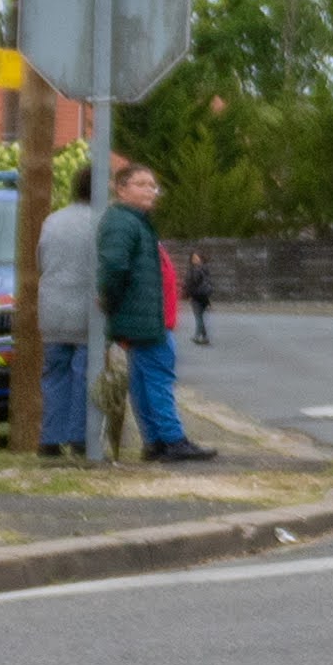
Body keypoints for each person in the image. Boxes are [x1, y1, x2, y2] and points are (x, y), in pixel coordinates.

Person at [101, 158, 218, 465]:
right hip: (145, 319)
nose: (150, 191)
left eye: (153, 186)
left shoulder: (134, 222)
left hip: (146, 317)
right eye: (142, 184)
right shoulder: (124, 222)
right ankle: (172, 439)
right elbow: (113, 267)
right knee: (158, 378)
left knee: (144, 380)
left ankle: (155, 441)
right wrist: (112, 303)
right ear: (121, 188)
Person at [37, 159, 103, 458]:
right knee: (84, 374)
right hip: (87, 310)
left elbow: (41, 260)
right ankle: (79, 436)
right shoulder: (101, 221)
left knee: (54, 375)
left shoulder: (52, 220)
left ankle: (50, 438)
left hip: (52, 309)